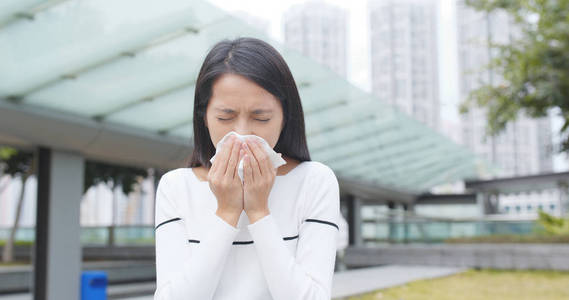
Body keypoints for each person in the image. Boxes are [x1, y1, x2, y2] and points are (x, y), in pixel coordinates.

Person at [153, 37, 341, 300]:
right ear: (203, 117)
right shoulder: (176, 188)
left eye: (261, 117)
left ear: (285, 116)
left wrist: (259, 211)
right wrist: (227, 212)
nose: (242, 133)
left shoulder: (314, 182)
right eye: (225, 117)